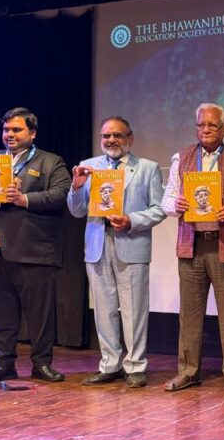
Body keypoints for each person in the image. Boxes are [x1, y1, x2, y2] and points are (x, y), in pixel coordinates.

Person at [0, 107, 71, 383]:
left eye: (17, 129)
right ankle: (3, 363)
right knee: (1, 314)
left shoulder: (50, 161)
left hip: (32, 250)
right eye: (6, 129)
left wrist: (24, 199)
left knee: (40, 314)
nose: (10, 134)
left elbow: (62, 193)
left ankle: (41, 364)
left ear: (32, 133)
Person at [162, 103, 224, 393]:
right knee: (190, 314)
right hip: (192, 245)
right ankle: (188, 371)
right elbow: (166, 199)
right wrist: (176, 204)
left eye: (212, 125)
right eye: (201, 125)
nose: (205, 130)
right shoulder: (181, 157)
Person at [68, 116, 165, 389]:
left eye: (117, 135)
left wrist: (131, 220)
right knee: (104, 310)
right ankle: (109, 365)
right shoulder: (88, 166)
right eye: (106, 136)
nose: (111, 140)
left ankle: (135, 366)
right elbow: (76, 211)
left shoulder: (147, 168)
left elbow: (159, 209)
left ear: (129, 138)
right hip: (97, 246)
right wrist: (76, 186)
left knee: (134, 310)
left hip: (131, 242)